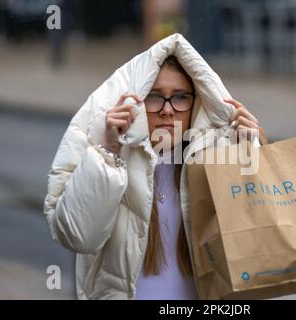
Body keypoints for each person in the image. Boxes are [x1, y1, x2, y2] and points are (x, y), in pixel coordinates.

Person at [44, 34, 267, 299]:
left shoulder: (216, 160)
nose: (168, 110)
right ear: (135, 102)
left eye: (181, 97)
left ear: (196, 103)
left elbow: (258, 248)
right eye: (154, 97)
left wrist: (252, 154)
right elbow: (78, 236)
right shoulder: (111, 158)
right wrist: (108, 151)